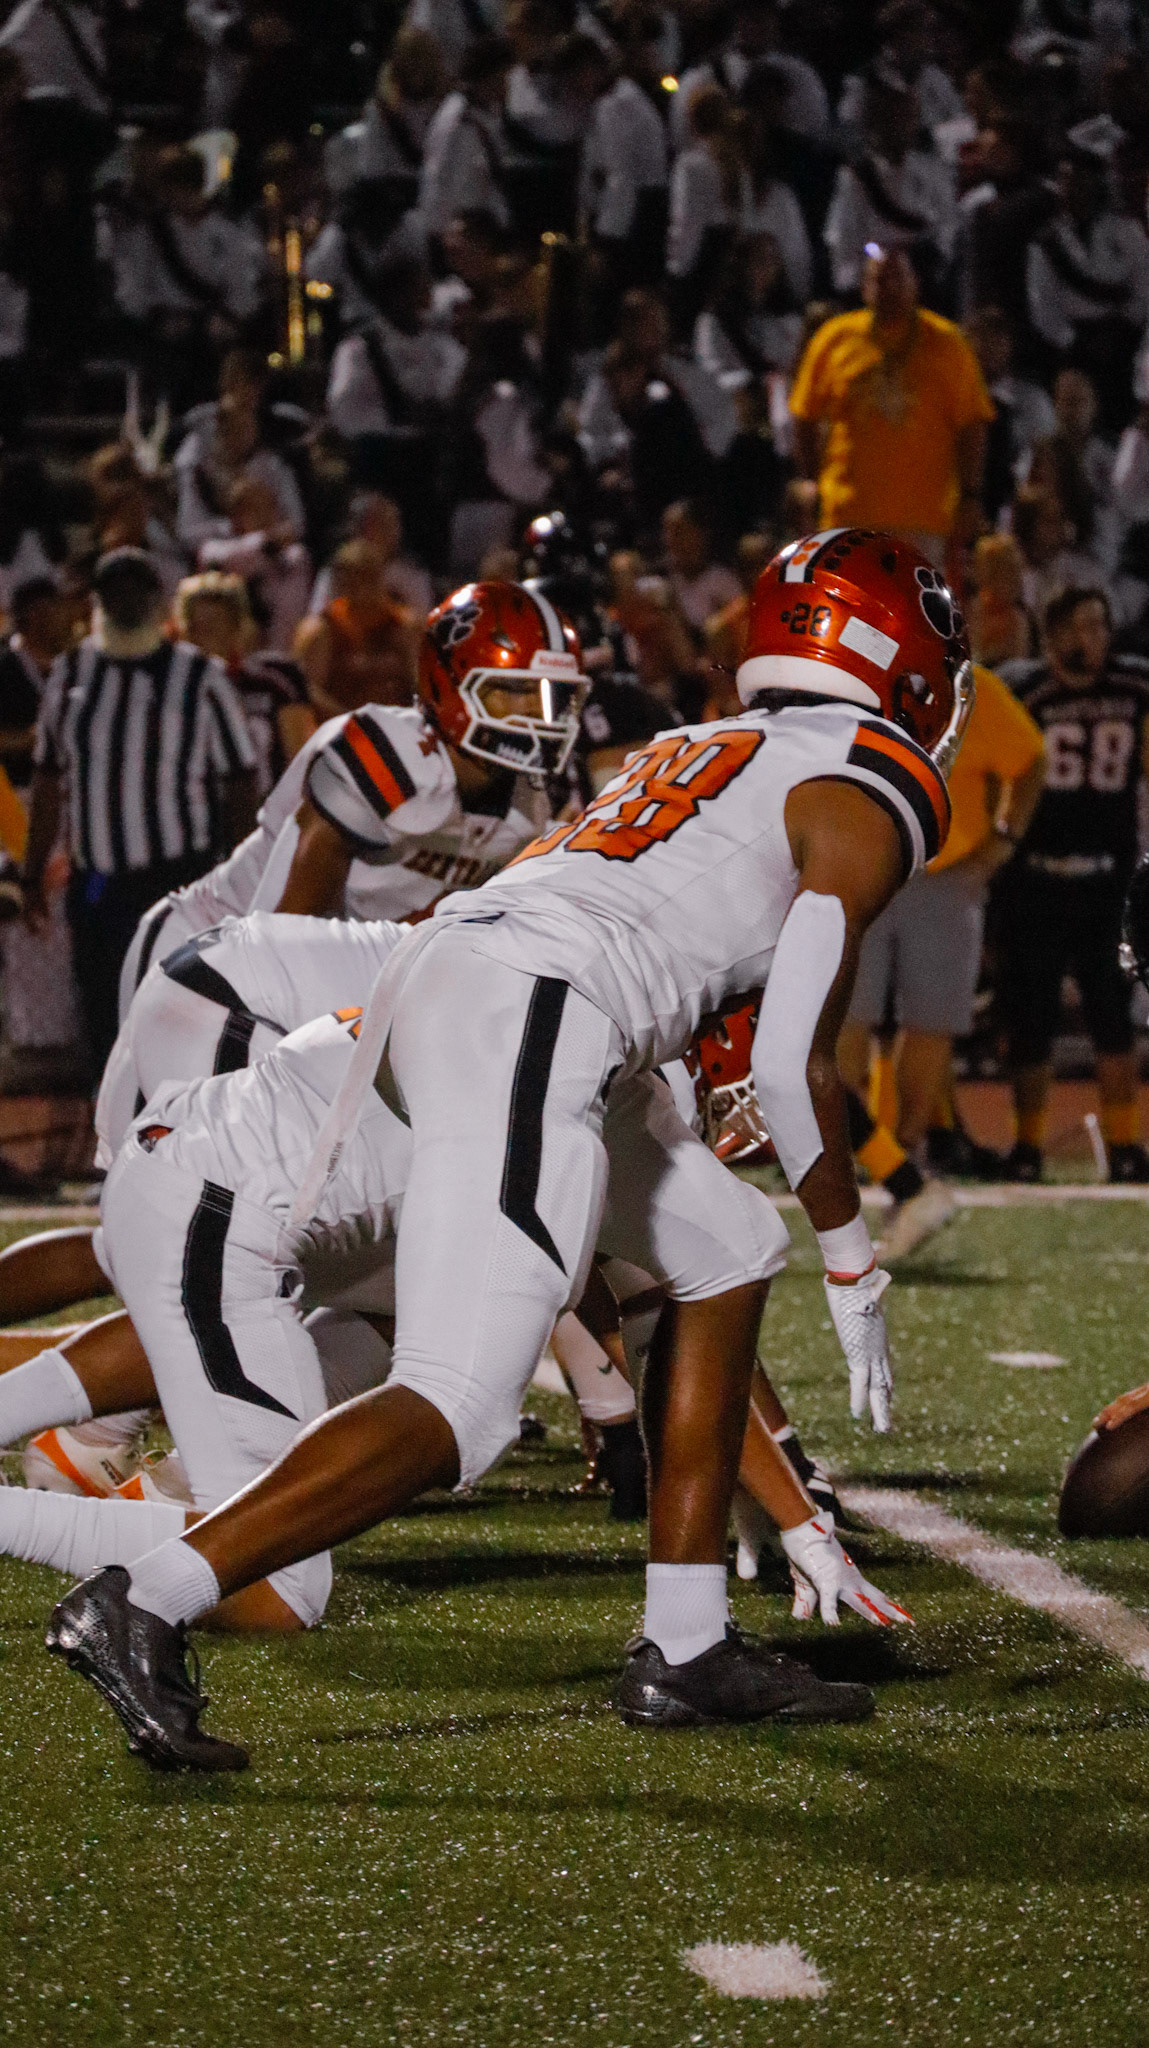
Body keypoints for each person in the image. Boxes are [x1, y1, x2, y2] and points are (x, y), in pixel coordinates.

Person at [46, 529, 970, 1762]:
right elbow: (800, 1058)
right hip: (542, 1003)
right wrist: (855, 1262)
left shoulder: (699, 741)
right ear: (899, 656)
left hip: (477, 976)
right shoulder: (872, 769)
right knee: (461, 1400)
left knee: (731, 1244)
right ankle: (145, 1597)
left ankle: (686, 1640)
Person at [21, 549, 257, 1077]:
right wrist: (33, 872)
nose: (126, 600)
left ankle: (177, 1115)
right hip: (97, 880)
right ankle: (111, 1120)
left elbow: (240, 781)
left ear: (157, 601)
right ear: (97, 600)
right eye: (115, 590)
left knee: (179, 1010)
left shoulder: (200, 677)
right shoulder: (71, 672)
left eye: (136, 589)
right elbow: (48, 777)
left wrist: (239, 873)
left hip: (176, 877)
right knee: (103, 1011)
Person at [838, 661, 1045, 1249]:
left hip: (944, 870)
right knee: (845, 1023)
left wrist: (1002, 841)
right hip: (864, 863)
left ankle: (905, 1163)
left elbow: (1030, 759)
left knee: (928, 1026)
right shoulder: (853, 675)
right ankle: (857, 1163)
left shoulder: (970, 685)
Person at [999, 586, 1149, 1182]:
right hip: (1036, 878)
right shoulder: (1026, 690)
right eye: (1081, 625)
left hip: (1109, 881)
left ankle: (1125, 1144)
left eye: (1100, 625)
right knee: (1030, 1021)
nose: (1094, 637)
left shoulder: (1134, 686)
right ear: (1054, 633)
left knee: (1113, 1018)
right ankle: (1027, 1145)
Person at [789, 249, 993, 568]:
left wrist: (970, 495)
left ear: (915, 284)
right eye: (880, 280)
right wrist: (810, 480)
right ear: (864, 287)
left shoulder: (948, 343)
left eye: (899, 278)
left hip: (924, 518)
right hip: (847, 515)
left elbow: (972, 424)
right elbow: (804, 414)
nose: (890, 289)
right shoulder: (834, 339)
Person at [293, 540, 420, 717]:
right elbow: (307, 689)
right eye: (351, 582)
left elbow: (420, 682)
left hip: (400, 724)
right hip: (340, 727)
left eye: (368, 579)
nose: (360, 590)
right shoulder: (322, 630)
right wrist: (354, 722)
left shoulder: (404, 626)